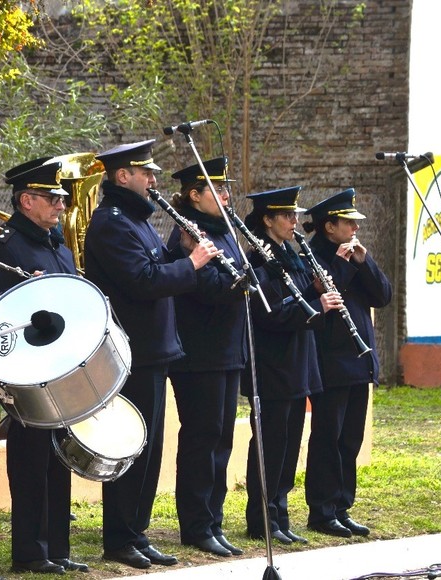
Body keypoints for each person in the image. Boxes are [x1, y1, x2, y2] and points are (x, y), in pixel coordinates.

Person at [84, 140, 219, 570]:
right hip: (132, 351)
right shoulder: (111, 222)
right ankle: (120, 537)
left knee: (150, 448)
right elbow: (142, 281)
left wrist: (181, 249)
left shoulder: (137, 221)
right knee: (129, 447)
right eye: (146, 173)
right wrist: (193, 263)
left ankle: (136, 532)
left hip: (155, 349)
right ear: (123, 176)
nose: (154, 180)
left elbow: (157, 264)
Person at [0, 159, 88, 574]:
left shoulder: (56, 244)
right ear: (27, 200)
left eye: (61, 197)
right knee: (30, 464)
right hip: (28, 372)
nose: (61, 204)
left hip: (61, 369)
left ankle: (57, 548)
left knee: (59, 458)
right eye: (52, 197)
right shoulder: (7, 247)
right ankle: (29, 551)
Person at [240, 186, 343, 545]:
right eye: (286, 216)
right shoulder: (258, 259)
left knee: (289, 444)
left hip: (298, 362)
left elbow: (299, 303)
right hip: (273, 364)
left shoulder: (293, 254)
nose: (294, 221)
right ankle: (262, 518)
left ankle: (280, 513)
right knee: (270, 443)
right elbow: (271, 313)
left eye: (295, 215)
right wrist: (316, 305)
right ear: (267, 219)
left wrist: (317, 292)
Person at [166, 157, 248, 557]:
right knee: (202, 437)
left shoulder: (225, 229)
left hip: (227, 349)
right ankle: (197, 525)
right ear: (194, 196)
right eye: (217, 190)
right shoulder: (186, 231)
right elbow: (207, 287)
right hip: (199, 353)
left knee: (222, 438)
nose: (227, 195)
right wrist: (244, 283)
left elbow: (236, 275)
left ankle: (213, 520)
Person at [302, 188, 392, 538]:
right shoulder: (314, 257)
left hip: (358, 362)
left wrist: (364, 261)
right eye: (348, 223)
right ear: (329, 227)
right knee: (328, 437)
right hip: (331, 362)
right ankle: (321, 511)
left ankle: (342, 506)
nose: (355, 229)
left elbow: (382, 295)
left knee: (350, 439)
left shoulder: (354, 255)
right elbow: (321, 299)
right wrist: (340, 264)